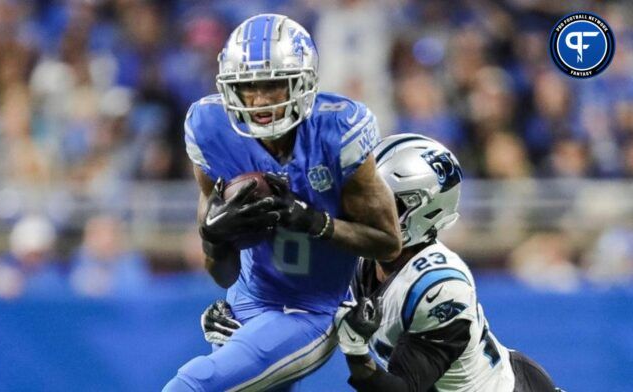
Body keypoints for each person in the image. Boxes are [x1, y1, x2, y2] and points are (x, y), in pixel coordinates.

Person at [203, 134, 561, 391]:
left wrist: (358, 354)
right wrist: (241, 327)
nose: (365, 209)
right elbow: (293, 303)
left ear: (425, 210)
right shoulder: (361, 256)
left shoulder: (440, 286)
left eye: (383, 203)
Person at [164, 13, 402, 392]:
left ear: (302, 82)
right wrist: (214, 237)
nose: (259, 101)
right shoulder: (210, 127)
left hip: (310, 310)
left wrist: (313, 221)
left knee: (193, 385)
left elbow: (388, 242)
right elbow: (222, 272)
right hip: (244, 303)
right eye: (248, 87)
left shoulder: (338, 131)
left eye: (273, 85)